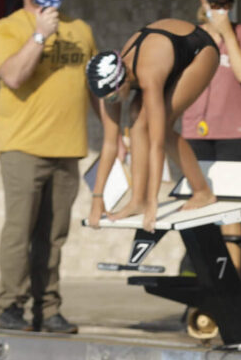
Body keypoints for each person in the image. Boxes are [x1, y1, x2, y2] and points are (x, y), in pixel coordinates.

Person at [0, 0, 96, 333]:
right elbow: (14, 76)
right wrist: (39, 36)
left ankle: (48, 309)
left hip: (68, 149)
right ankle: (11, 306)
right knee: (20, 232)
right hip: (23, 148)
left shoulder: (80, 29)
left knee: (53, 237)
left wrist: (119, 134)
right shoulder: (8, 28)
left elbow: (95, 85)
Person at [84, 17, 220, 233]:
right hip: (165, 52)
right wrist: (97, 199)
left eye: (112, 98)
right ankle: (137, 200)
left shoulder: (149, 74)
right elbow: (110, 144)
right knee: (137, 118)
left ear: (124, 81)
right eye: (106, 100)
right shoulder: (110, 87)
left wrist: (154, 202)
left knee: (162, 127)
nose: (112, 103)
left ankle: (203, 191)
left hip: (199, 51)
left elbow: (156, 144)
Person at [181, 0, 241, 272]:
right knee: (199, 206)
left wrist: (227, 34)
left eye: (226, 5)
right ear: (203, 5)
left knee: (231, 212)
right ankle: (202, 276)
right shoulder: (191, 37)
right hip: (196, 131)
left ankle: (234, 281)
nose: (221, 10)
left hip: (235, 132)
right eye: (215, 5)